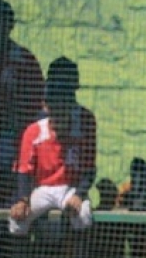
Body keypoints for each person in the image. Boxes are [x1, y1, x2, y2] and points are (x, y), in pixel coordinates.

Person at [8, 56, 97, 236]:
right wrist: (23, 199)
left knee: (82, 216)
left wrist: (79, 194)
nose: (59, 104)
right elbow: (24, 169)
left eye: (66, 92)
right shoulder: (37, 123)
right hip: (40, 188)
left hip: (71, 188)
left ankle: (75, 253)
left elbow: (89, 167)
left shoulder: (85, 119)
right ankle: (23, 254)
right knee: (18, 220)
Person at [0, 0, 44, 206]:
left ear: (10, 25)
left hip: (11, 140)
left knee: (8, 197)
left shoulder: (23, 60)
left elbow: (35, 103)